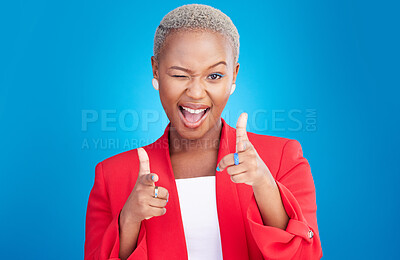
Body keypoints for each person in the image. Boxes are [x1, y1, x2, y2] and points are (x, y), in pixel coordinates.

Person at [84, 4, 322, 260]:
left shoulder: (282, 159)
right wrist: (129, 218)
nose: (196, 92)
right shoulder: (112, 176)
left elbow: (304, 255)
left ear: (233, 76)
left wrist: (264, 184)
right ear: (155, 70)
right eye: (179, 75)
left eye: (215, 75)